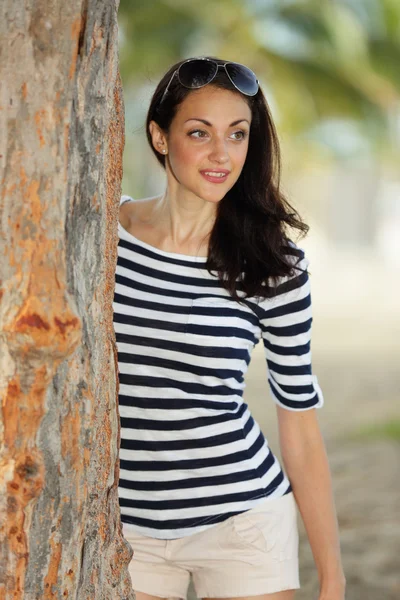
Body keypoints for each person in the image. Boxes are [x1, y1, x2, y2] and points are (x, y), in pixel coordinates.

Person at [113, 56, 346, 600]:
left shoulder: (273, 263)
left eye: (237, 134)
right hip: (127, 530)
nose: (222, 154)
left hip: (242, 521)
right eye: (200, 133)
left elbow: (300, 423)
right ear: (160, 136)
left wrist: (332, 578)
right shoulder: (105, 236)